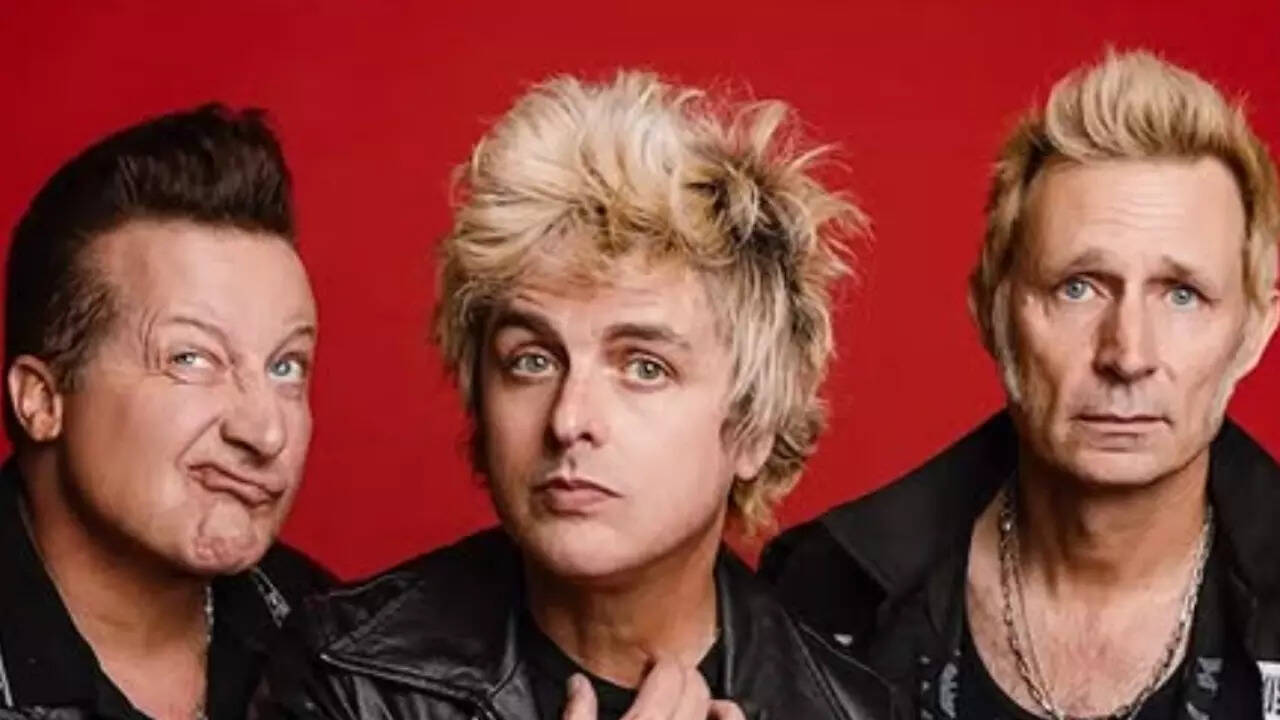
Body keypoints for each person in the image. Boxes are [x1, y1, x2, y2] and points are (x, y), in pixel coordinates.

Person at [253, 71, 892, 719]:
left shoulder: (853, 712)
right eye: (531, 361)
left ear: (754, 425)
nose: (569, 419)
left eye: (644, 368)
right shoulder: (348, 680)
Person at [761, 49, 1280, 719]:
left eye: (1182, 295)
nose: (1128, 355)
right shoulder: (828, 594)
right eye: (1078, 287)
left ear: (1256, 330)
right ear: (993, 310)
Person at [0, 104, 332, 719]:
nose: (265, 432)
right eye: (191, 358)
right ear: (41, 401)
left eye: (285, 367)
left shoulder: (337, 646)